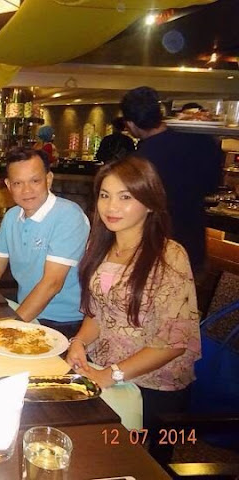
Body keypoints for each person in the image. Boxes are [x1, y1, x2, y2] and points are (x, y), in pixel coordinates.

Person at [66, 155, 200, 444]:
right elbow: (98, 312)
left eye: (125, 197)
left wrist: (111, 374)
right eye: (105, 195)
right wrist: (79, 342)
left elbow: (174, 343)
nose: (111, 206)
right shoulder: (100, 246)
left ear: (150, 202)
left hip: (151, 387)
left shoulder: (169, 256)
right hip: (101, 370)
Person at [0, 148, 89, 338]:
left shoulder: (69, 216)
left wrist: (11, 328)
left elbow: (52, 283)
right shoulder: (12, 217)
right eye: (18, 183)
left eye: (35, 181)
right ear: (8, 185)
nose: (27, 190)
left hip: (63, 323)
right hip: (25, 311)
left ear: (49, 179)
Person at [120, 86, 223, 272]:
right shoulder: (203, 141)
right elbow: (213, 186)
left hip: (156, 247)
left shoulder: (140, 160)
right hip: (193, 243)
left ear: (131, 124)